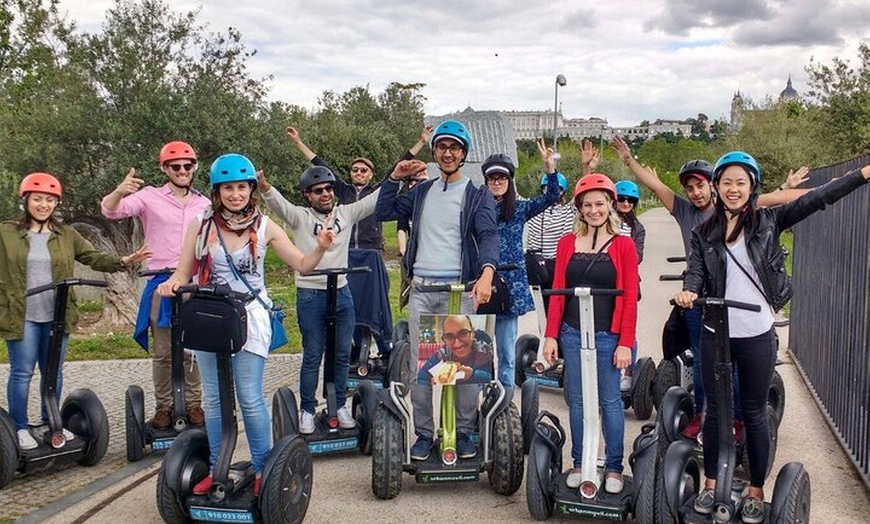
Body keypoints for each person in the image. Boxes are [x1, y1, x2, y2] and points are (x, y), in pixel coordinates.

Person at [673, 152, 870, 523]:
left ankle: (756, 487)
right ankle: (712, 483)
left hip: (757, 332)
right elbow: (696, 273)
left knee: (753, 412)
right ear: (717, 186)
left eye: (740, 183)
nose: (733, 189)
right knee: (714, 411)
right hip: (716, 332)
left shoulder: (769, 220)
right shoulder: (703, 232)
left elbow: (818, 198)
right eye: (726, 182)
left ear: (751, 188)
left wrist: (862, 174)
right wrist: (688, 290)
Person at [157, 153, 332, 496]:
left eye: (241, 187)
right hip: (210, 316)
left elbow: (302, 264)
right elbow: (183, 271)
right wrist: (172, 284)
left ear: (251, 190)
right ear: (217, 191)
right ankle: (214, 467)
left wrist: (321, 249)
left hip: (249, 316)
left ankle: (264, 468)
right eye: (228, 188)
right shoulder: (201, 223)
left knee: (249, 396)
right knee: (212, 398)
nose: (235, 194)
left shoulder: (265, 226)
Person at [612, 136, 810, 438]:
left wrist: (794, 188)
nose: (695, 192)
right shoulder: (684, 211)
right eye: (690, 188)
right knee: (703, 363)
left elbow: (769, 200)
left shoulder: (733, 207)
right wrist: (628, 161)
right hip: (698, 299)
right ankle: (704, 415)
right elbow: (656, 187)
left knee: (734, 366)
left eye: (700, 186)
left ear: (713, 185)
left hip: (734, 298)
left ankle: (740, 420)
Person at [374, 119, 498, 461]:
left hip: (459, 289)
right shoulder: (422, 192)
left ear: (463, 154)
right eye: (442, 147)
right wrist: (395, 177)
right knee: (425, 368)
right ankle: (426, 433)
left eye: (454, 148)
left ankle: (465, 431)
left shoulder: (476, 195)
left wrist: (486, 273)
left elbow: (489, 236)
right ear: (435, 152)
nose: (447, 153)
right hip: (425, 288)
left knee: (462, 365)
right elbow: (382, 211)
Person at [2, 173, 151, 450]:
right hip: (21, 314)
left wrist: (123, 260)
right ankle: (19, 428)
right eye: (37, 199)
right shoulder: (6, 233)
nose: (43, 205)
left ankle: (51, 422)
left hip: (56, 316)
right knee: (22, 372)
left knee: (53, 372)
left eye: (49, 200)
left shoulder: (66, 234)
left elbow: (92, 257)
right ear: (26, 201)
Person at [257, 159, 395, 435]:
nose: (325, 194)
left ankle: (340, 405)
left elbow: (373, 200)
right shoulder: (300, 217)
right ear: (308, 195)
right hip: (311, 294)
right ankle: (307, 409)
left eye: (328, 189)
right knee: (313, 354)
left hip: (342, 292)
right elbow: (277, 204)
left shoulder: (346, 213)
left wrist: (395, 178)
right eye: (317, 190)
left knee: (343, 353)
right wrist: (264, 186)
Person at [101, 141, 211, 430]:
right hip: (161, 281)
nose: (183, 171)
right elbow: (111, 211)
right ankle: (164, 406)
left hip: (193, 283)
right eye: (176, 166)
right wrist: (118, 192)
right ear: (165, 168)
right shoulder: (149, 197)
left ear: (194, 168)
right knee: (163, 350)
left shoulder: (205, 203)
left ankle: (194, 403)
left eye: (188, 166)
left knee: (192, 348)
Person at [542, 173, 639, 494]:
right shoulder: (567, 243)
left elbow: (628, 298)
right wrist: (551, 335)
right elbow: (558, 292)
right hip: (572, 332)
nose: (594, 210)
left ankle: (613, 467)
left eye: (600, 203)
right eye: (588, 205)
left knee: (611, 401)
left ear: (610, 205)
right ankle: (580, 462)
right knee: (579, 402)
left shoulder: (623, 245)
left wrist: (625, 342)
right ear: (580, 209)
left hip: (607, 335)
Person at [482, 140, 560, 389]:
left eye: (502, 178)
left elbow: (551, 197)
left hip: (510, 283)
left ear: (509, 181)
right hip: (482, 281)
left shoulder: (518, 208)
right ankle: (478, 398)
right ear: (486, 181)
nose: (497, 182)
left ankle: (504, 398)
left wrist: (550, 169)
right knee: (478, 348)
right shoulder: (476, 208)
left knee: (506, 348)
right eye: (492, 178)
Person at [285, 125, 433, 252]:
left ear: (370, 175)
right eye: (355, 170)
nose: (359, 173)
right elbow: (321, 164)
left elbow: (399, 166)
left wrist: (421, 142)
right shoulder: (344, 191)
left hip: (371, 249)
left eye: (363, 170)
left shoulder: (376, 192)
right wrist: (298, 142)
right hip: (345, 248)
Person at [525, 138, 600, 310]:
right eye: (548, 188)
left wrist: (587, 168)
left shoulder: (567, 211)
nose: (552, 191)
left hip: (560, 264)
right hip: (537, 265)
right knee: (543, 310)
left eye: (558, 189)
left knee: (561, 307)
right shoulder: (532, 210)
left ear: (563, 192)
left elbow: (583, 191)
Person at [613, 179, 645, 392]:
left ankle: (628, 373)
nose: (625, 203)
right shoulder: (606, 222)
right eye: (621, 199)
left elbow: (638, 255)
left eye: (630, 200)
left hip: (628, 282)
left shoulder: (637, 228)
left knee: (628, 330)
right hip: (606, 282)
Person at [418, 315, 493, 385]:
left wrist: (473, 375)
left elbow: (493, 377)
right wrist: (428, 384)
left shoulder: (484, 353)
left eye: (463, 333)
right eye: (449, 337)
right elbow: (421, 378)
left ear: (473, 333)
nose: (457, 343)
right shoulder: (441, 355)